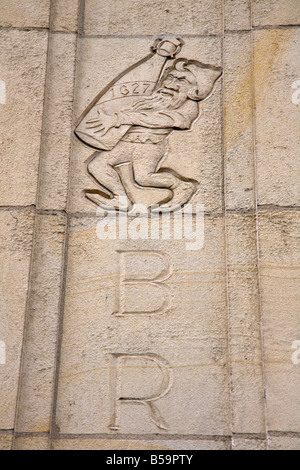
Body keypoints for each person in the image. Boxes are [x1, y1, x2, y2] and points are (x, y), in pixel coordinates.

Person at [84, 59, 221, 211]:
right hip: (126, 142)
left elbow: (164, 120)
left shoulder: (189, 107)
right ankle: (120, 200)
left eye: (181, 80)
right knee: (97, 165)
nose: (170, 84)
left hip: (149, 146)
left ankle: (182, 186)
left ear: (195, 90)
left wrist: (121, 118)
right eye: (170, 77)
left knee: (144, 178)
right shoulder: (155, 98)